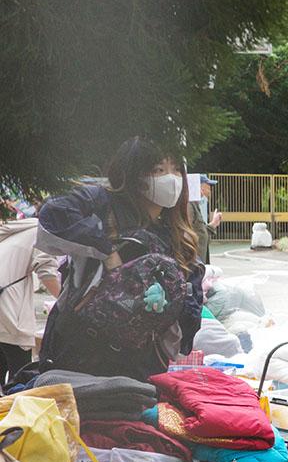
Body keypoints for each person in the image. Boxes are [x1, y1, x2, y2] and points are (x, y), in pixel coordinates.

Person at [38, 137, 204, 380]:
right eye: (159, 169)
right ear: (134, 173)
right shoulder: (101, 203)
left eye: (177, 169)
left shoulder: (178, 236)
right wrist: (107, 251)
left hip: (141, 366)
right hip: (82, 355)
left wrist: (168, 307)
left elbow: (189, 318)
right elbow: (54, 215)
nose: (171, 178)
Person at [0, 216, 61, 383]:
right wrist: (65, 301)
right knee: (21, 369)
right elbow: (47, 273)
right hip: (8, 306)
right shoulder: (43, 234)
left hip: (5, 303)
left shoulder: (22, 229)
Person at [189, 175, 221, 265]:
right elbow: (187, 231)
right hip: (193, 262)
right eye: (208, 187)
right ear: (199, 187)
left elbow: (200, 232)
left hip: (198, 261)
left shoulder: (194, 205)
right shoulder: (189, 206)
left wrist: (213, 224)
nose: (209, 191)